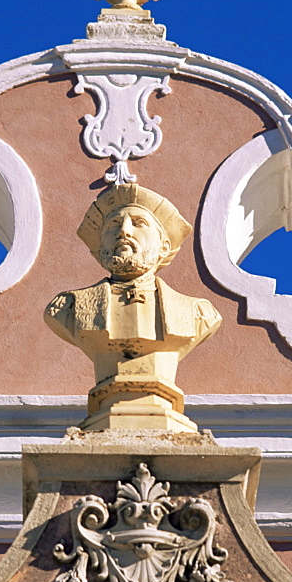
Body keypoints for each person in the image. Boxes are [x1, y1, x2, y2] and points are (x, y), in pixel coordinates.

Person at [44, 184, 221, 432]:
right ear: (100, 247)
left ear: (164, 246)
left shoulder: (198, 313)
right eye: (114, 225)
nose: (124, 232)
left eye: (138, 223)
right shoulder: (67, 309)